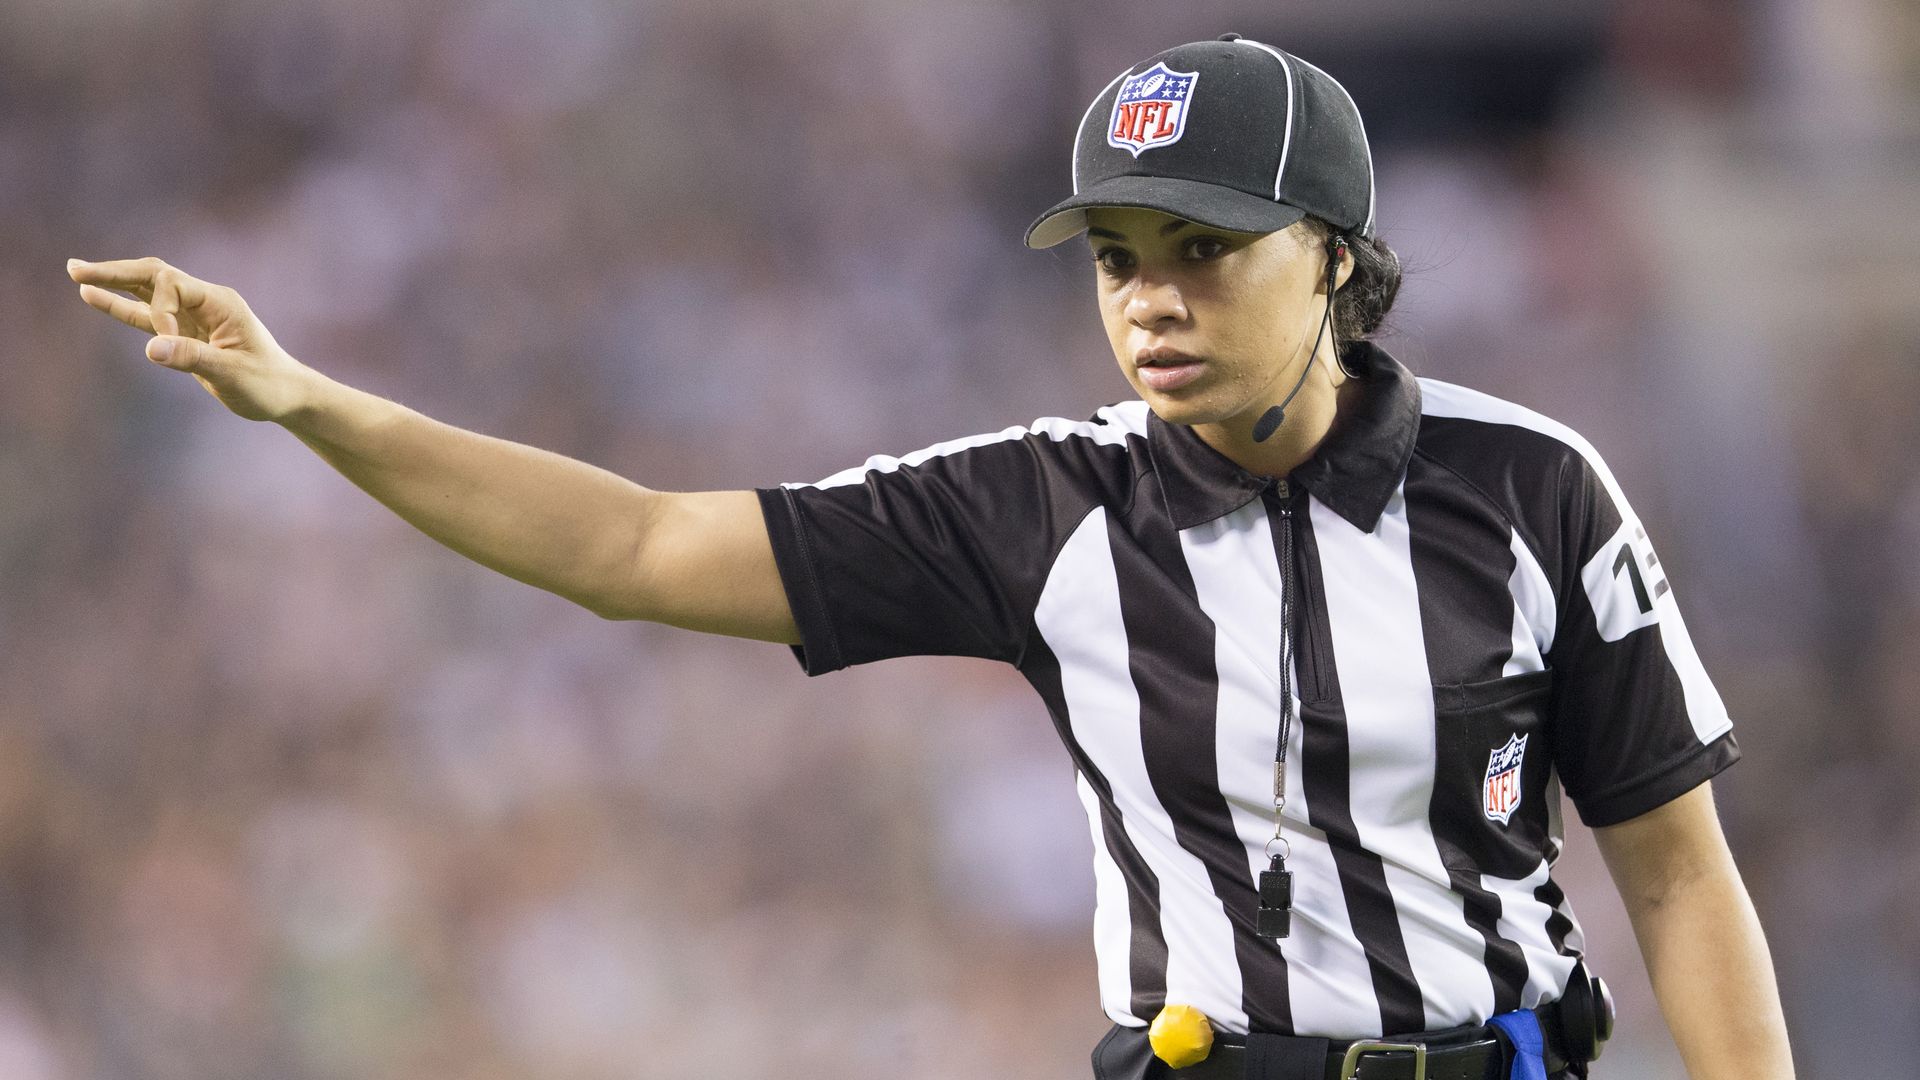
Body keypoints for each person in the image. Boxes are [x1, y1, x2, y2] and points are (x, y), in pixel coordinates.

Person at [69, 33, 1791, 1080]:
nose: (1150, 300)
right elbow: (636, 544)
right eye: (1116, 257)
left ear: (1337, 256)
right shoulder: (1041, 507)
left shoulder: (1534, 491)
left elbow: (1677, 879)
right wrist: (313, 401)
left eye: (1203, 249)